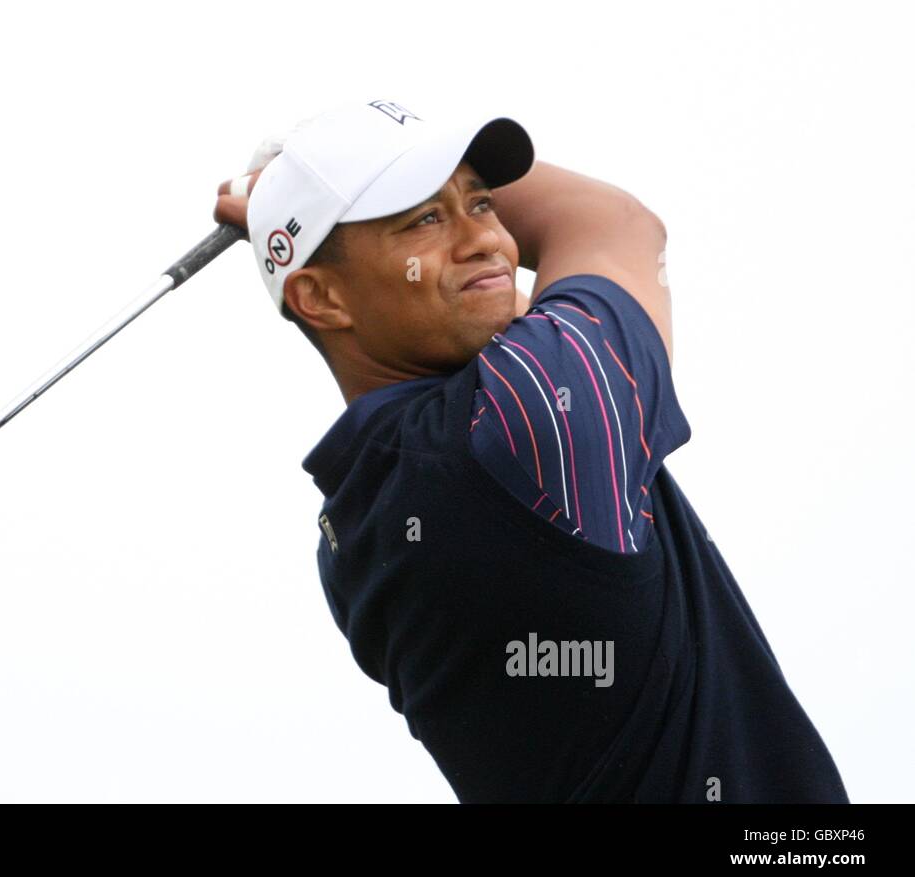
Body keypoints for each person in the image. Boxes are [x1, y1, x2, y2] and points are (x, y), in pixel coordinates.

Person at [212, 98, 849, 804]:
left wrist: (305, 207)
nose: (488, 240)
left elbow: (490, 320)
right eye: (422, 218)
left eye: (482, 202)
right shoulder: (528, 414)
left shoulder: (355, 530)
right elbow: (616, 224)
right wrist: (298, 185)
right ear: (322, 297)